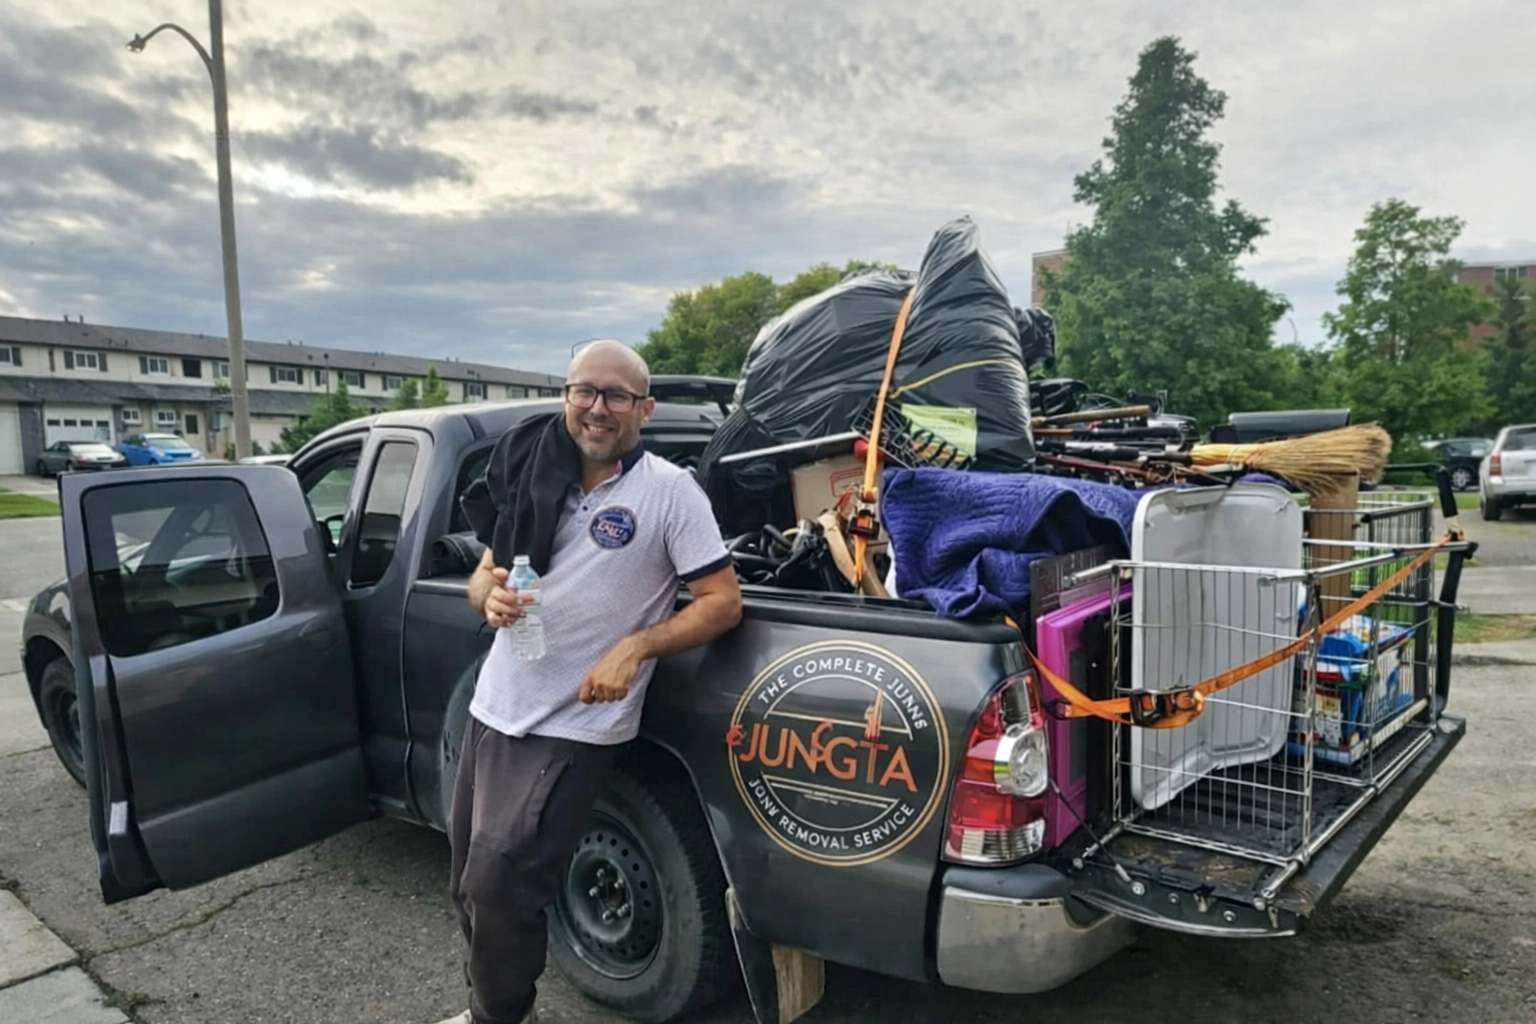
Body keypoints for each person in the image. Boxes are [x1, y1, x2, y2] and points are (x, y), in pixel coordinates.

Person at [438, 340, 743, 1024]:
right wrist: (486, 597)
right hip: (497, 706)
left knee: (500, 885)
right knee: (468, 885)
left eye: (615, 396)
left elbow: (723, 601)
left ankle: (500, 1017)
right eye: (584, 391)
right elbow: (484, 574)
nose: (596, 408)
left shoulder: (668, 492)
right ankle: (491, 1004)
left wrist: (637, 646)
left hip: (574, 723)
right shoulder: (535, 472)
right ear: (567, 397)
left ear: (645, 410)